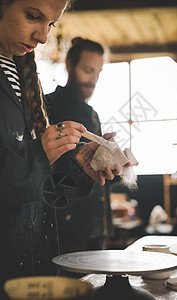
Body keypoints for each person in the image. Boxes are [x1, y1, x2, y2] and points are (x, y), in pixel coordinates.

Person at [0, 0, 130, 296]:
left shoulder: (23, 77)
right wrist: (40, 156)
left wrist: (80, 169)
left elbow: (44, 192)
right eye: (33, 16)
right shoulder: (49, 100)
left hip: (38, 259)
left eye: (51, 24)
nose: (43, 37)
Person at [45, 37, 113, 253]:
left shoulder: (93, 115)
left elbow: (97, 170)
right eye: (88, 70)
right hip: (62, 227)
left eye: (98, 73)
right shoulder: (46, 106)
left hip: (97, 224)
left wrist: (115, 163)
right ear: (69, 65)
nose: (93, 79)